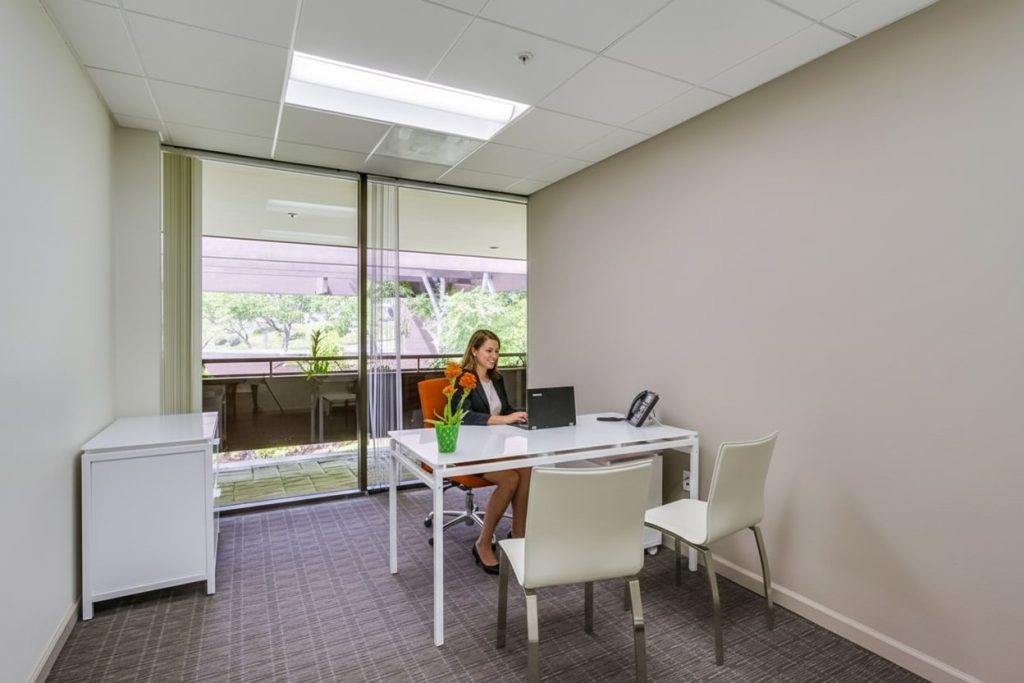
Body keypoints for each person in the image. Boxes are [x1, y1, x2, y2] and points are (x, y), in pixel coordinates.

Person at [459, 329, 530, 575]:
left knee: (526, 467)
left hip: (497, 446)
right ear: (474, 351)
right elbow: (464, 416)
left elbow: (505, 409)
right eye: (489, 350)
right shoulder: (463, 379)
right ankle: (483, 542)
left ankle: (518, 534)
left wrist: (518, 415)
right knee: (510, 479)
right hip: (472, 451)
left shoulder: (496, 379)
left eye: (497, 351)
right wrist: (503, 418)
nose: (494, 356)